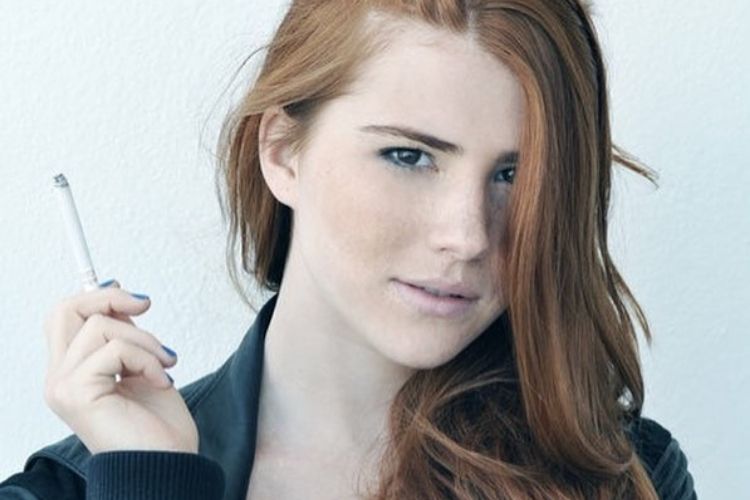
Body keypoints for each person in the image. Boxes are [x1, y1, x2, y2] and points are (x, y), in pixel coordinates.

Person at [0, 0, 698, 498]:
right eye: (408, 156)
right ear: (282, 152)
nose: (467, 236)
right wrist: (153, 484)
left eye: (514, 176)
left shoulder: (626, 476)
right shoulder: (69, 490)